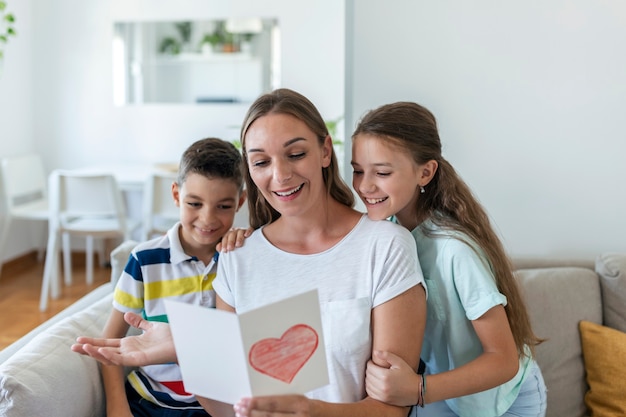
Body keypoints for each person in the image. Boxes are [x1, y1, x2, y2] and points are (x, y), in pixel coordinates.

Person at [72, 88, 427, 417]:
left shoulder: (385, 245)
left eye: (296, 154)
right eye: (261, 162)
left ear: (324, 150)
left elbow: (391, 409)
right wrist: (188, 348)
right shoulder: (238, 257)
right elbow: (226, 409)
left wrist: (311, 411)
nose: (281, 175)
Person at [350, 102, 547, 417]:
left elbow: (504, 359)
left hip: (501, 400)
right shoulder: (388, 230)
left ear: (425, 172)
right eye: (358, 170)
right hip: (447, 391)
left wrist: (417, 389)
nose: (364, 185)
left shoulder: (455, 250)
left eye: (382, 172)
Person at [98, 137, 246, 417]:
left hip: (217, 405)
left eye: (223, 206)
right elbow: (110, 344)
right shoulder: (144, 261)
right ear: (176, 195)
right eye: (194, 203)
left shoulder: (242, 257)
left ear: (240, 201)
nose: (208, 219)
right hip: (148, 401)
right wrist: (116, 407)